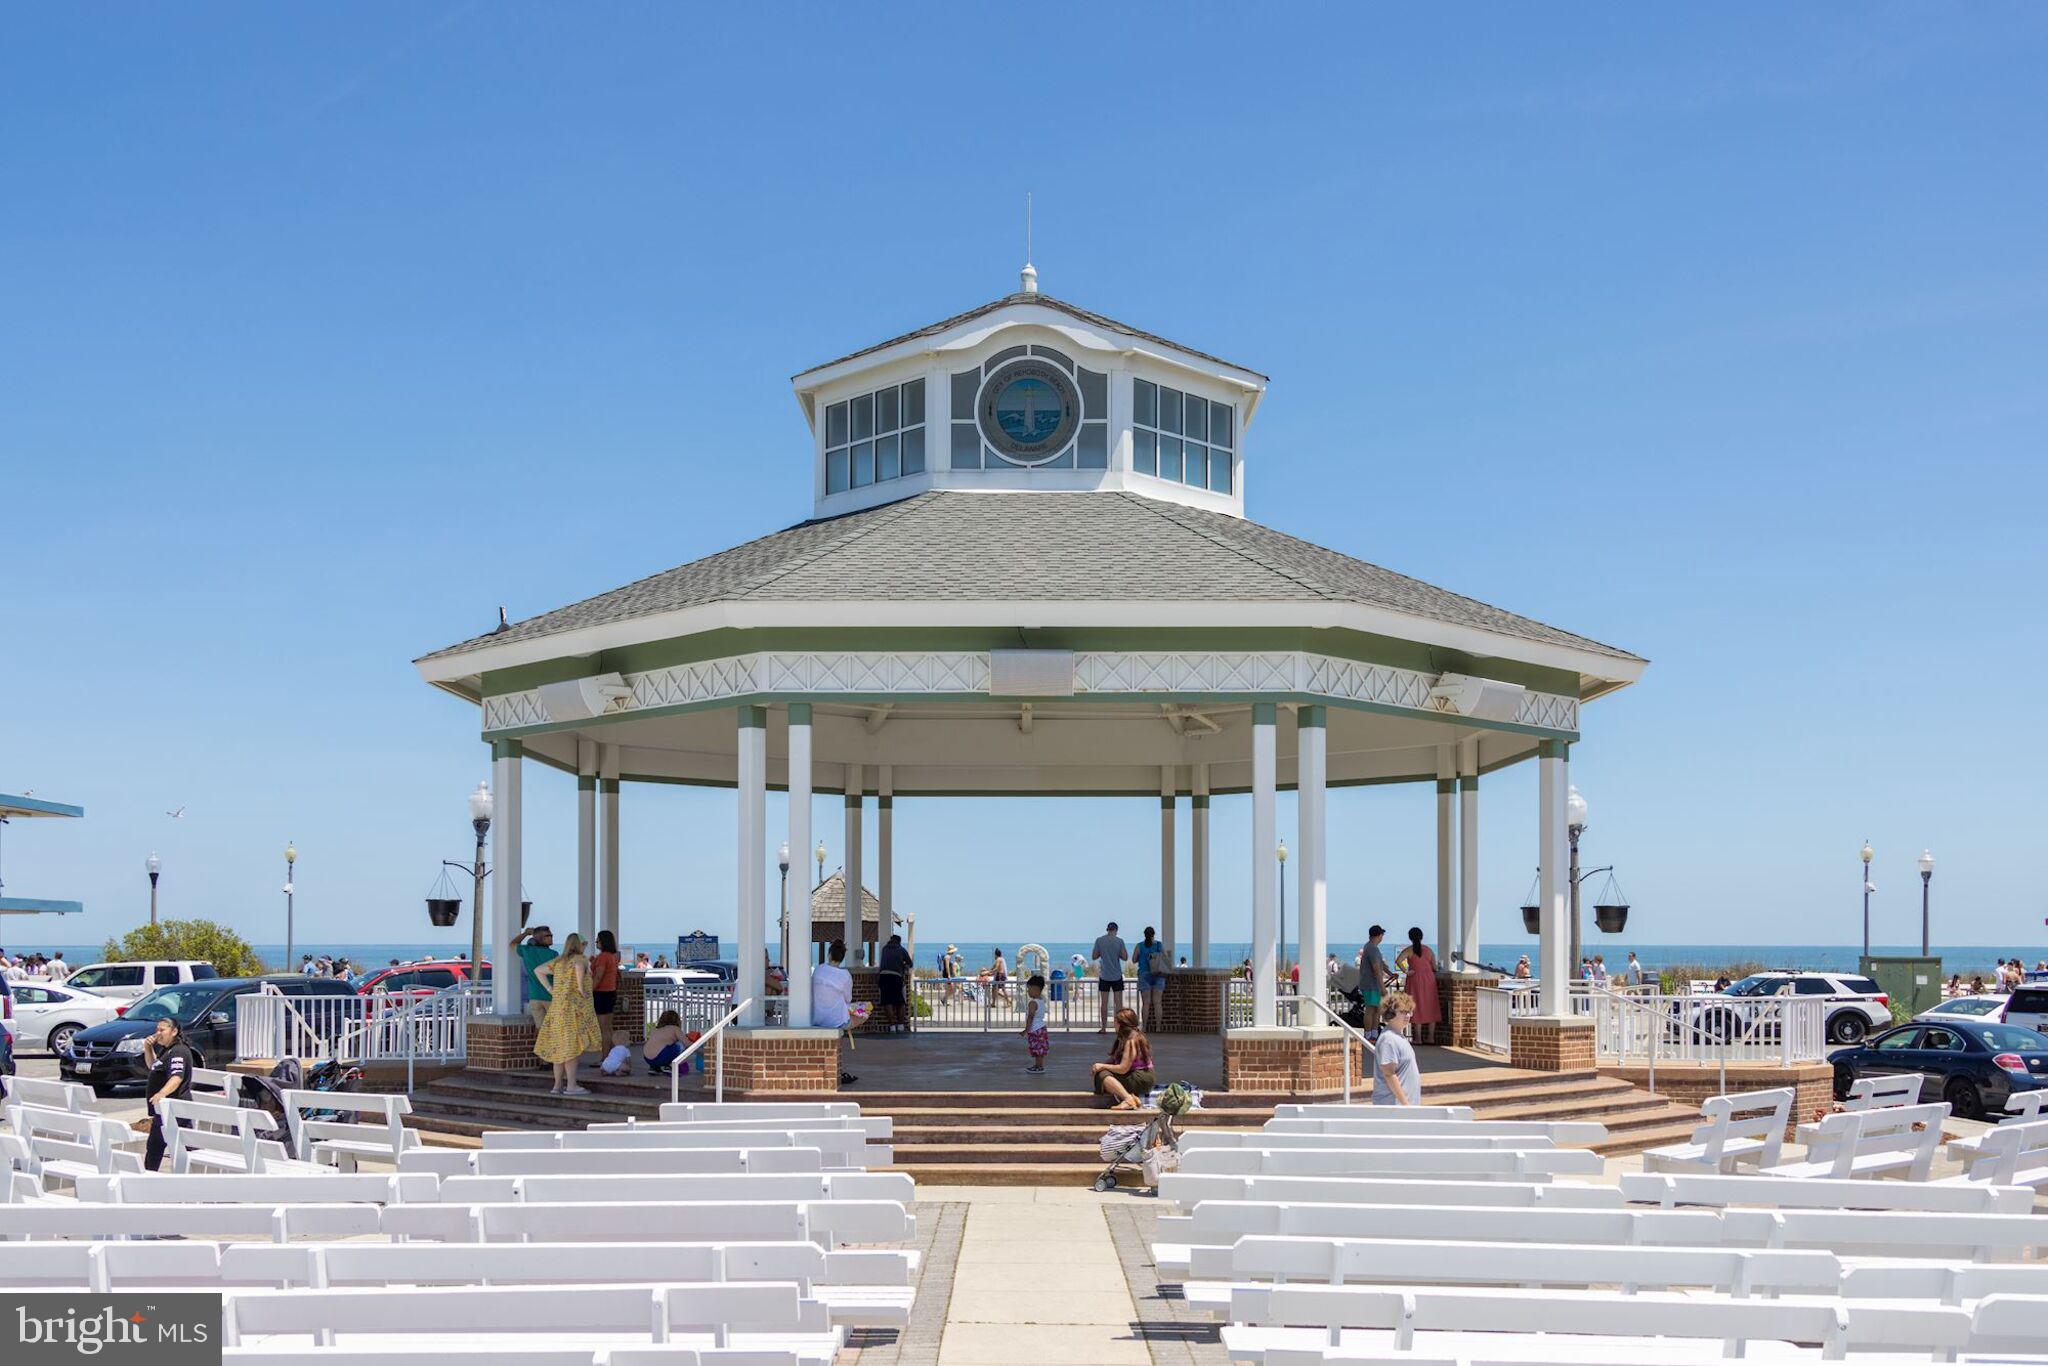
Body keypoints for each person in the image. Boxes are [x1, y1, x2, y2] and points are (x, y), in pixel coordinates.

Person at [533, 932, 602, 1095]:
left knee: (559, 1048)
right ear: (579, 945)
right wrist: (579, 987)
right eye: (583, 944)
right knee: (572, 1048)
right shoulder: (581, 959)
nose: (584, 947)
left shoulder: (559, 961)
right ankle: (571, 1085)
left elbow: (538, 970)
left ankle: (557, 1086)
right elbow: (578, 967)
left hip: (557, 1009)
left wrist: (550, 989)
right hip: (574, 1010)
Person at [140, 1016, 195, 1170]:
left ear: (174, 1031)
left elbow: (176, 1078)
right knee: (154, 1147)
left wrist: (161, 1094)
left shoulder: (179, 1051)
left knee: (181, 1148)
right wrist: (148, 1048)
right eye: (157, 1030)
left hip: (175, 1109)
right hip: (163, 1111)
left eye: (162, 1030)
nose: (158, 1033)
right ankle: (149, 1178)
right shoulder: (167, 1050)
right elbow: (153, 1065)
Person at [1092, 1007, 1155, 1111]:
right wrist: (1100, 1066)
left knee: (1102, 1076)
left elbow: (1123, 1068)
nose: (1114, 1025)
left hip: (1140, 1077)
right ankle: (1133, 1097)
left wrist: (1102, 1067)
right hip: (1135, 1074)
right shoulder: (1125, 1038)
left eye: (1115, 1023)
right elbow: (1114, 1058)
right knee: (1102, 1072)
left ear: (1122, 1024)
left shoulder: (1132, 1040)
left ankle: (1128, 1099)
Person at [1374, 991, 1421, 1106]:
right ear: (1390, 1014)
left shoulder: (1398, 1037)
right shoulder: (1388, 1039)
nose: (1408, 1015)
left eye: (1409, 1012)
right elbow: (1389, 1074)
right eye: (1403, 1012)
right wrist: (1405, 1104)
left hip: (1402, 1107)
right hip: (1394, 1107)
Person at [1394, 927, 1441, 1037]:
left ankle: (1418, 1038)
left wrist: (1406, 971)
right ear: (1421, 937)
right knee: (1431, 1006)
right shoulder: (1428, 950)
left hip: (1414, 979)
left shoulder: (1409, 950)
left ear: (1410, 937)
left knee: (1416, 1006)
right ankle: (1431, 1038)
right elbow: (1434, 967)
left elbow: (1398, 961)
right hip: (1429, 979)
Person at [513, 924, 557, 1029]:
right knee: (555, 1030)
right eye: (547, 936)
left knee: (540, 1030)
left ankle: (539, 1046)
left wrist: (525, 933)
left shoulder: (527, 951)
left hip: (534, 997)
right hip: (550, 996)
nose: (551, 937)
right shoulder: (553, 954)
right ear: (539, 939)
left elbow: (514, 943)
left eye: (551, 935)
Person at [1092, 920, 1129, 1032]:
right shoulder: (1119, 941)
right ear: (1116, 930)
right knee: (1118, 1004)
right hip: (1117, 975)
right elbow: (1125, 957)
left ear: (1107, 930)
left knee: (1104, 1004)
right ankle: (1118, 1027)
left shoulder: (1099, 940)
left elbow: (1094, 956)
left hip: (1104, 975)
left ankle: (1103, 1028)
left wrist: (1103, 953)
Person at [813, 940, 854, 1029]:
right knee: (861, 1015)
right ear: (842, 958)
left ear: (829, 955)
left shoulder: (818, 969)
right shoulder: (845, 975)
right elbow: (848, 999)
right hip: (836, 1021)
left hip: (816, 1018)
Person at [878, 932, 913, 1032]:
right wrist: (903, 965)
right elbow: (910, 964)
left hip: (883, 976)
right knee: (900, 1002)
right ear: (899, 942)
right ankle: (901, 1025)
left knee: (887, 1001)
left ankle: (892, 1026)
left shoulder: (885, 949)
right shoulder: (901, 949)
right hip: (896, 976)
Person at [1358, 925, 1390, 1029]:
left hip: (1369, 984)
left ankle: (1373, 1034)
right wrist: (1383, 988)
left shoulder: (1368, 946)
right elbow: (1376, 969)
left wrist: (1390, 973)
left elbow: (1380, 965)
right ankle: (1369, 1035)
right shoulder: (1373, 949)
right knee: (1371, 1010)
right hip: (1371, 985)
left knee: (1376, 1010)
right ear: (1379, 935)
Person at [1134, 926, 1166, 1029]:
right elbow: (1165, 959)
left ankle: (1144, 1027)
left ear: (1144, 934)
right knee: (1157, 1002)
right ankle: (1158, 1027)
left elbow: (1134, 959)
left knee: (1146, 1003)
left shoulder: (1139, 946)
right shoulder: (1159, 945)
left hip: (1144, 974)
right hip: (1158, 975)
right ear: (1153, 934)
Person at [590, 930, 622, 1027]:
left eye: (597, 941)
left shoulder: (603, 957)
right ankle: (610, 1042)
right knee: (608, 1026)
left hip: (601, 993)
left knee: (601, 1027)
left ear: (604, 941)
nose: (596, 943)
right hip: (610, 992)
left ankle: (604, 1043)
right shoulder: (612, 956)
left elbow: (599, 976)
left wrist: (589, 991)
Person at [1021, 974, 1050, 1074]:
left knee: (1037, 1049)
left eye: (1029, 989)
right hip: (1041, 1028)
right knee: (1040, 1049)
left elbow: (1030, 1017)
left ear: (1036, 989)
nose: (1028, 992)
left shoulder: (1032, 1003)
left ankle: (1039, 1067)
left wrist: (1026, 1029)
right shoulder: (1042, 1001)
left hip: (1035, 1030)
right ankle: (1038, 1065)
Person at [643, 1009, 686, 1074]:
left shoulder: (655, 1030)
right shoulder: (675, 1028)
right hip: (662, 1056)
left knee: (659, 1046)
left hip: (647, 1058)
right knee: (680, 1046)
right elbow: (687, 1043)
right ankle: (670, 1066)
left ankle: (654, 1068)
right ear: (677, 1020)